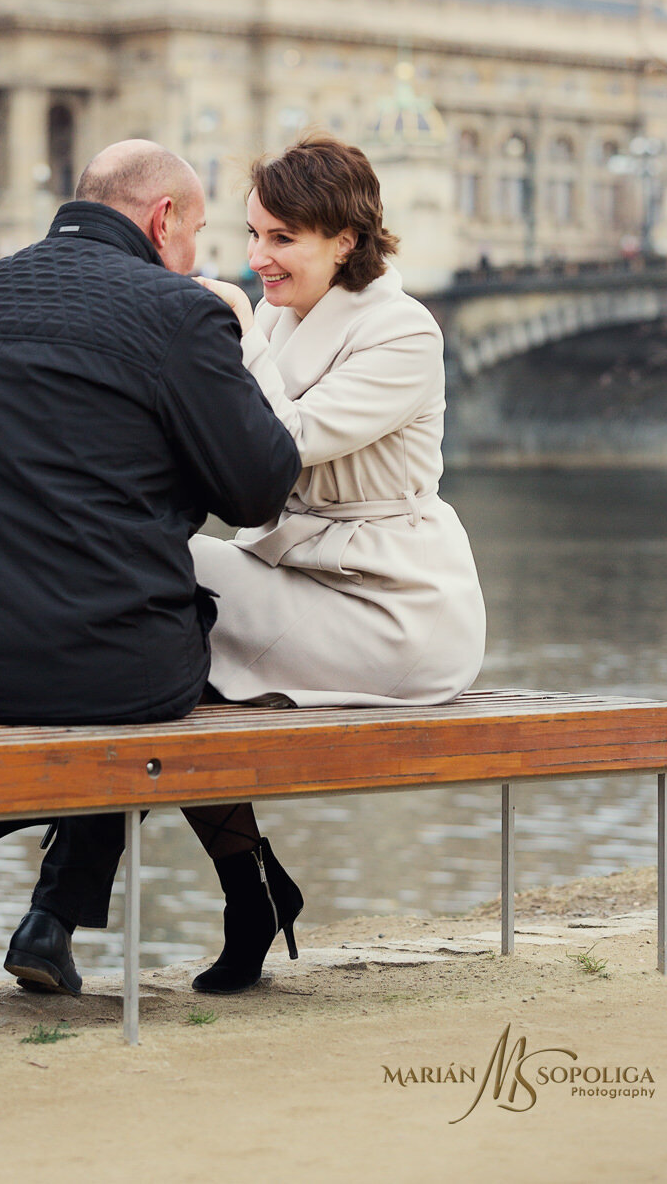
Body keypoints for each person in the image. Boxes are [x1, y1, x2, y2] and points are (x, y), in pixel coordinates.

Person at [0, 139, 300, 1000]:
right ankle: (51, 921)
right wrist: (238, 341)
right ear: (163, 221)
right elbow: (260, 487)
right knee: (139, 658)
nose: (197, 258)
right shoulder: (177, 312)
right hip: (110, 665)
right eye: (194, 235)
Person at [181, 132, 487, 993]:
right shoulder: (281, 315)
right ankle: (249, 890)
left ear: (344, 240)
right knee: (142, 615)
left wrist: (231, 331)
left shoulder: (403, 330)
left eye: (281, 239)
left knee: (148, 598)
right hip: (296, 573)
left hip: (391, 605)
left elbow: (281, 444)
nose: (256, 259)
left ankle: (230, 892)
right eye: (252, 235)